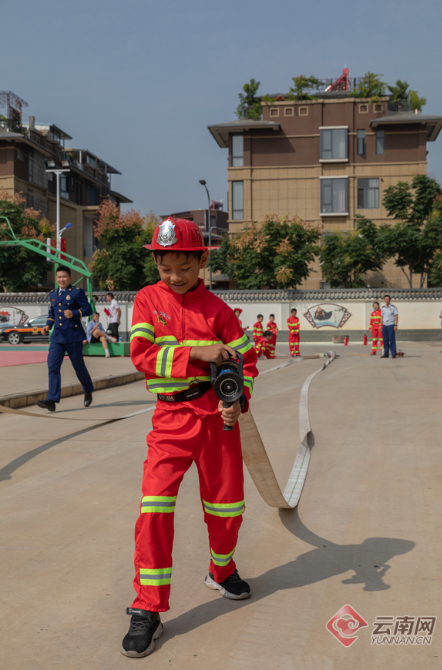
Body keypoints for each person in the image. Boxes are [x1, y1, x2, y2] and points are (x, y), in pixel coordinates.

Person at [121, 218, 258, 659]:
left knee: (227, 508)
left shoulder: (220, 311)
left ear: (201, 261)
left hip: (218, 422)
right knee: (154, 508)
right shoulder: (147, 300)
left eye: (184, 267)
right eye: (166, 268)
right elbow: (141, 354)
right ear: (156, 265)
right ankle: (147, 608)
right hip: (170, 420)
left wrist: (237, 399)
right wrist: (198, 351)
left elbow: (248, 363)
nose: (176, 277)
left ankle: (221, 569)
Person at [37, 266, 94, 412]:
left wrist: (74, 313)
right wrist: (48, 325)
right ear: (56, 278)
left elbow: (88, 309)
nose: (61, 279)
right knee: (53, 366)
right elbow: (52, 312)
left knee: (78, 366)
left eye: (64, 277)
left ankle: (88, 389)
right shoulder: (53, 294)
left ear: (70, 278)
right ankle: (52, 400)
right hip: (57, 337)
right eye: (59, 277)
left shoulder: (76, 292)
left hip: (73, 336)